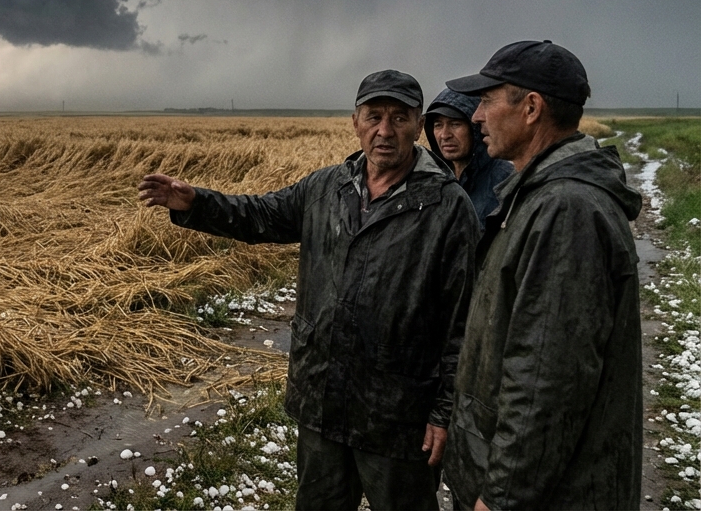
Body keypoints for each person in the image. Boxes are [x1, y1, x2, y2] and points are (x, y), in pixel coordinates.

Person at [138, 70, 480, 511]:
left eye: (399, 118)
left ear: (418, 125)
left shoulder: (447, 207)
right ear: (355, 121)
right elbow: (260, 215)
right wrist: (195, 203)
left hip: (399, 414)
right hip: (322, 399)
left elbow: (464, 323)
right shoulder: (326, 188)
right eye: (374, 116)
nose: (385, 130)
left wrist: (444, 411)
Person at [441, 40, 642, 511]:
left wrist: (503, 496)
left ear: (531, 108)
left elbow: (546, 384)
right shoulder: (541, 197)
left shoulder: (565, 210)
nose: (476, 116)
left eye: (488, 101)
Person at [424, 88, 514, 228]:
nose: (444, 135)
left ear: (476, 128)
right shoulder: (431, 181)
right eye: (438, 125)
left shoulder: (505, 180)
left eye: (455, 124)